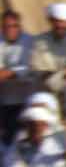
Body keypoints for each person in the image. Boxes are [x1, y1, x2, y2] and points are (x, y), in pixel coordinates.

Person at [0, 9, 36, 137]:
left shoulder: (30, 41)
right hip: (4, 99)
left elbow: (29, 68)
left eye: (14, 26)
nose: (10, 29)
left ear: (19, 26)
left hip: (25, 98)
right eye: (6, 26)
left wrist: (10, 73)